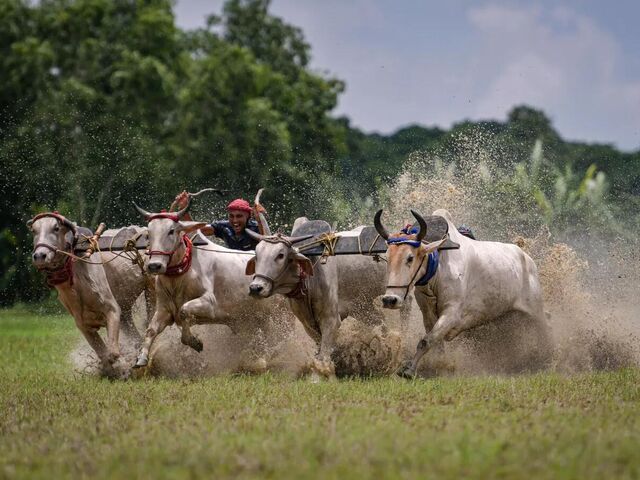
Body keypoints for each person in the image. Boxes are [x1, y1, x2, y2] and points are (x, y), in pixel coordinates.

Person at [173, 191, 262, 251]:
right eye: (231, 216)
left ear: (248, 216)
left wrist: (260, 220)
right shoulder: (224, 227)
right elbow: (196, 231)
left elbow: (269, 242)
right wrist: (184, 207)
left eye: (239, 216)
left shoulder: (257, 227)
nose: (235, 220)